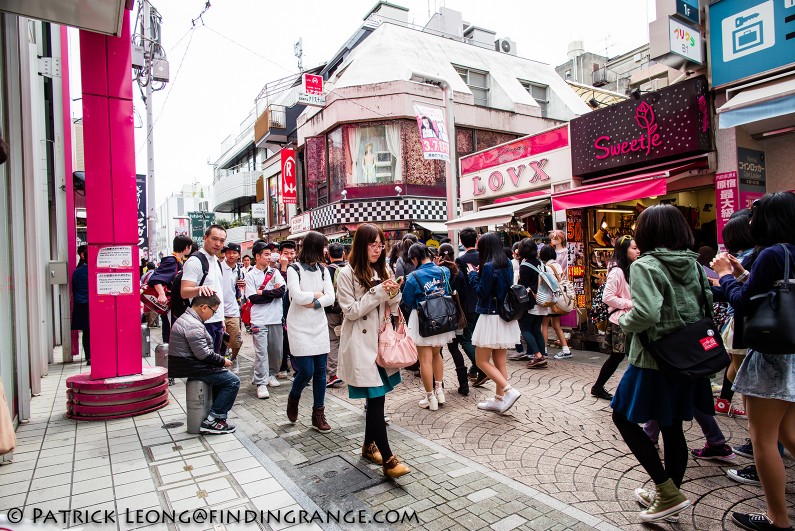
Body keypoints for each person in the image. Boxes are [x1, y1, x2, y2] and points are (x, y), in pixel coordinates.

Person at [610, 205, 713, 522]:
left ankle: (666, 491)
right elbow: (706, 302)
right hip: (688, 357)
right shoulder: (693, 264)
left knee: (622, 416)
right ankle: (668, 494)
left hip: (653, 359)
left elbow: (647, 314)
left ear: (646, 233)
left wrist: (624, 320)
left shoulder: (646, 265)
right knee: (672, 428)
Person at [712, 192, 795, 531]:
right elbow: (772, 293)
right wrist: (744, 273)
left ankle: (778, 519)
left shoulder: (772, 252)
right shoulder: (789, 252)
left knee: (763, 439)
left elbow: (744, 303)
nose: (749, 222)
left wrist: (726, 277)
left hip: (772, 355)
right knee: (789, 432)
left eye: (753, 216)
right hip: (793, 354)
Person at [336, 223, 409, 478]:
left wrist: (394, 292)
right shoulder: (346, 274)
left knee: (377, 398)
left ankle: (369, 446)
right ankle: (388, 459)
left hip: (381, 343)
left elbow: (391, 305)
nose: (378, 250)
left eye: (380, 245)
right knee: (376, 400)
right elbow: (351, 311)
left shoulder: (384, 268)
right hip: (361, 345)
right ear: (361, 245)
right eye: (372, 244)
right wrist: (379, 291)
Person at [168, 293, 240, 434]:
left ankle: (213, 414)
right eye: (213, 311)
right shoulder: (193, 324)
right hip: (193, 366)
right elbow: (203, 354)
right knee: (232, 381)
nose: (212, 315)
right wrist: (222, 361)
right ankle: (214, 419)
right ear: (204, 307)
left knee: (223, 379)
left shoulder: (188, 319)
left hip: (190, 363)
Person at [466, 232, 522, 414]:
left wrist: (473, 275)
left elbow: (482, 293)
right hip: (504, 318)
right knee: (500, 362)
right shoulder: (506, 263)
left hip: (490, 317)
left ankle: (508, 390)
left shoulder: (489, 267)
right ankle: (499, 400)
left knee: (481, 360)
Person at [285, 231, 335, 432]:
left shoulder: (323, 270)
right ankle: (294, 397)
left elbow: (331, 297)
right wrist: (317, 295)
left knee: (321, 372)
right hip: (299, 325)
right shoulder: (293, 269)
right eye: (323, 246)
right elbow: (296, 296)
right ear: (315, 247)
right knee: (306, 370)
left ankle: (318, 414)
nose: (326, 250)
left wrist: (313, 303)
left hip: (318, 324)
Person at [403, 243, 455, 410]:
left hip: (422, 318)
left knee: (424, 360)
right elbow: (447, 290)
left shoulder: (412, 277)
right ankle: (440, 392)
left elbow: (408, 300)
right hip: (441, 317)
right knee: (437, 354)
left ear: (414, 259)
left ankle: (430, 398)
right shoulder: (444, 271)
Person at [591, 236, 639, 399]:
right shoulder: (617, 271)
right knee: (619, 357)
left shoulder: (629, 267)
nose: (637, 251)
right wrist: (631, 303)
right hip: (620, 320)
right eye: (634, 248)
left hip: (628, 319)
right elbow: (608, 297)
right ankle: (601, 388)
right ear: (624, 251)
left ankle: (599, 387)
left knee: (619, 357)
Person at [245, 242, 285, 399]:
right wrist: (270, 293)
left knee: (276, 350)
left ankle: (271, 374)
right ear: (257, 257)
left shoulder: (275, 272)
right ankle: (261, 383)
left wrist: (262, 292)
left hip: (275, 318)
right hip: (259, 319)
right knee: (261, 352)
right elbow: (254, 298)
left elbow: (281, 291)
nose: (269, 257)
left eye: (270, 254)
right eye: (266, 254)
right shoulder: (250, 275)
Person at [181, 225, 226, 353]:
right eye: (214, 239)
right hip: (201, 322)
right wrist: (199, 289)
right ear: (205, 238)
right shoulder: (195, 261)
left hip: (216, 321)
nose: (218, 244)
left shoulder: (216, 261)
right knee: (204, 363)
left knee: (214, 361)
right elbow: (184, 292)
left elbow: (218, 291)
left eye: (222, 241)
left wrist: (221, 319)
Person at [456, 227, 488, 386]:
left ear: (461, 241)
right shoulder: (484, 257)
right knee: (478, 338)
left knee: (465, 339)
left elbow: (459, 284)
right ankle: (476, 369)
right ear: (476, 240)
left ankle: (482, 368)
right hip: (482, 302)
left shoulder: (460, 261)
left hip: (467, 304)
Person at [436, 243, 469, 396]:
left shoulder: (438, 272)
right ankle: (464, 385)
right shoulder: (458, 272)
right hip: (455, 314)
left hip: (440, 315)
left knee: (438, 351)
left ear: (439, 255)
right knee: (455, 348)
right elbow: (463, 294)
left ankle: (439, 385)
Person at [148, 235, 193, 344]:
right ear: (187, 247)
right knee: (171, 332)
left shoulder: (178, 261)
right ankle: (168, 357)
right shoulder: (171, 260)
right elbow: (156, 278)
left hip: (176, 305)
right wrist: (161, 294)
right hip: (170, 306)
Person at [517, 239, 549, 369]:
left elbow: (522, 286)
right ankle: (542, 355)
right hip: (542, 300)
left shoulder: (525, 266)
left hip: (531, 302)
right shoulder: (540, 264)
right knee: (536, 329)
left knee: (524, 328)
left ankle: (538, 355)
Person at [543, 230, 572, 354]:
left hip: (551, 299)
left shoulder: (547, 267)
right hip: (560, 298)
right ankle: (565, 349)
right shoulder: (557, 265)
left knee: (544, 325)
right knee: (556, 324)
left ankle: (543, 350)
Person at [325, 243, 347, 388]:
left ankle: (334, 374)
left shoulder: (326, 271)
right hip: (348, 310)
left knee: (333, 340)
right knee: (347, 340)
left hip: (332, 310)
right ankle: (348, 371)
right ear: (343, 254)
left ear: (328, 255)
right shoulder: (350, 269)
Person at [220, 243, 245, 370]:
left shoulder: (239, 270)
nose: (231, 255)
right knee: (218, 342)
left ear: (238, 255)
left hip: (233, 310)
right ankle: (220, 362)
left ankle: (232, 359)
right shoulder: (218, 267)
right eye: (228, 252)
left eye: (234, 253)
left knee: (236, 341)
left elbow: (239, 290)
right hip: (216, 311)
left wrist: (242, 285)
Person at [278, 240, 298, 378]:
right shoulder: (274, 269)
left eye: (292, 253)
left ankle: (297, 368)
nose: (289, 256)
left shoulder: (298, 268)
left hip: (295, 307)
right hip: (279, 310)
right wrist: (284, 268)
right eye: (286, 253)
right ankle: (282, 366)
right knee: (283, 338)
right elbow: (283, 288)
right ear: (280, 254)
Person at [71, 245, 90, 366]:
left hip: (81, 304)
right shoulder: (96, 271)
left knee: (86, 332)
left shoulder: (77, 272)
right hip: (95, 305)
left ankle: (89, 356)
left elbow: (74, 289)